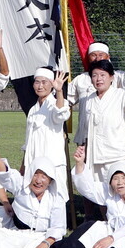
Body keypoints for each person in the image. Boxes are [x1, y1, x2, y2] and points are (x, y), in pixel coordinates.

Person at [45, 145, 125, 248]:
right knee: (87, 229)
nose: (119, 183)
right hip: (109, 230)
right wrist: (79, 163)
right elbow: (88, 188)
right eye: (115, 178)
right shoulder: (110, 193)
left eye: (124, 178)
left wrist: (110, 239)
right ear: (110, 182)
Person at [0, 139, 66, 248]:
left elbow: (58, 228)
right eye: (36, 175)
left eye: (44, 177)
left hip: (41, 238)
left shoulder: (56, 198)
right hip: (18, 234)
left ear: (50, 180)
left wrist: (44, 245)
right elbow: (5, 174)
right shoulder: (21, 186)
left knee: (54, 245)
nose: (38, 181)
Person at [78, 57, 125, 185]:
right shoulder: (89, 99)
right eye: (94, 75)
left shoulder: (120, 94)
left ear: (111, 77)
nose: (98, 79)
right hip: (95, 155)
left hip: (118, 154)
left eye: (102, 75)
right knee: (99, 193)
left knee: (121, 190)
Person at [69, 39, 125, 146]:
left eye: (101, 55)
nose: (97, 58)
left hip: (112, 138)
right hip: (86, 137)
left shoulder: (115, 76)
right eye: (93, 55)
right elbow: (66, 100)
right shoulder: (80, 79)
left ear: (108, 57)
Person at [22, 67, 70, 198]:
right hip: (34, 161)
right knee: (34, 196)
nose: (40, 86)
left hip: (53, 160)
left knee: (57, 197)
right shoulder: (33, 110)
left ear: (51, 84)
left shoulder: (57, 103)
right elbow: (28, 140)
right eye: (37, 82)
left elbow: (60, 114)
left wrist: (59, 91)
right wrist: (24, 164)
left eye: (44, 82)